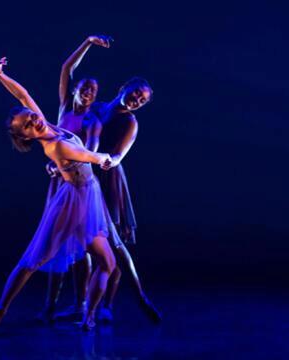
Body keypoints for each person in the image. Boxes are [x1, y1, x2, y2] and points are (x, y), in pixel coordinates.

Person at [0, 57, 118, 335]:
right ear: (27, 137)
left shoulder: (47, 125)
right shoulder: (54, 147)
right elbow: (86, 156)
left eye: (31, 117)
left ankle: (88, 317)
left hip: (89, 196)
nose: (33, 121)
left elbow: (23, 95)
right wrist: (105, 158)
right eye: (27, 126)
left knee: (108, 263)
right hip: (74, 201)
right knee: (36, 258)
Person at [38, 35, 113, 323]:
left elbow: (90, 152)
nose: (89, 93)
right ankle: (50, 305)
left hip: (79, 184)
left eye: (94, 90)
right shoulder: (64, 109)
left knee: (84, 243)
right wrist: (88, 42)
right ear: (76, 90)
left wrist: (60, 166)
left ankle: (82, 302)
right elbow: (66, 68)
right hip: (59, 184)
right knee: (55, 240)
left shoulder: (91, 121)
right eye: (85, 88)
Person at [94, 77, 162, 323]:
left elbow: (117, 156)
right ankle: (86, 303)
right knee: (91, 245)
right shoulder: (98, 107)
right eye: (135, 94)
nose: (137, 101)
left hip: (109, 179)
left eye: (142, 101)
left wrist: (92, 158)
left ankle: (109, 305)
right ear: (123, 87)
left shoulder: (130, 121)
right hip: (86, 176)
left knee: (115, 242)